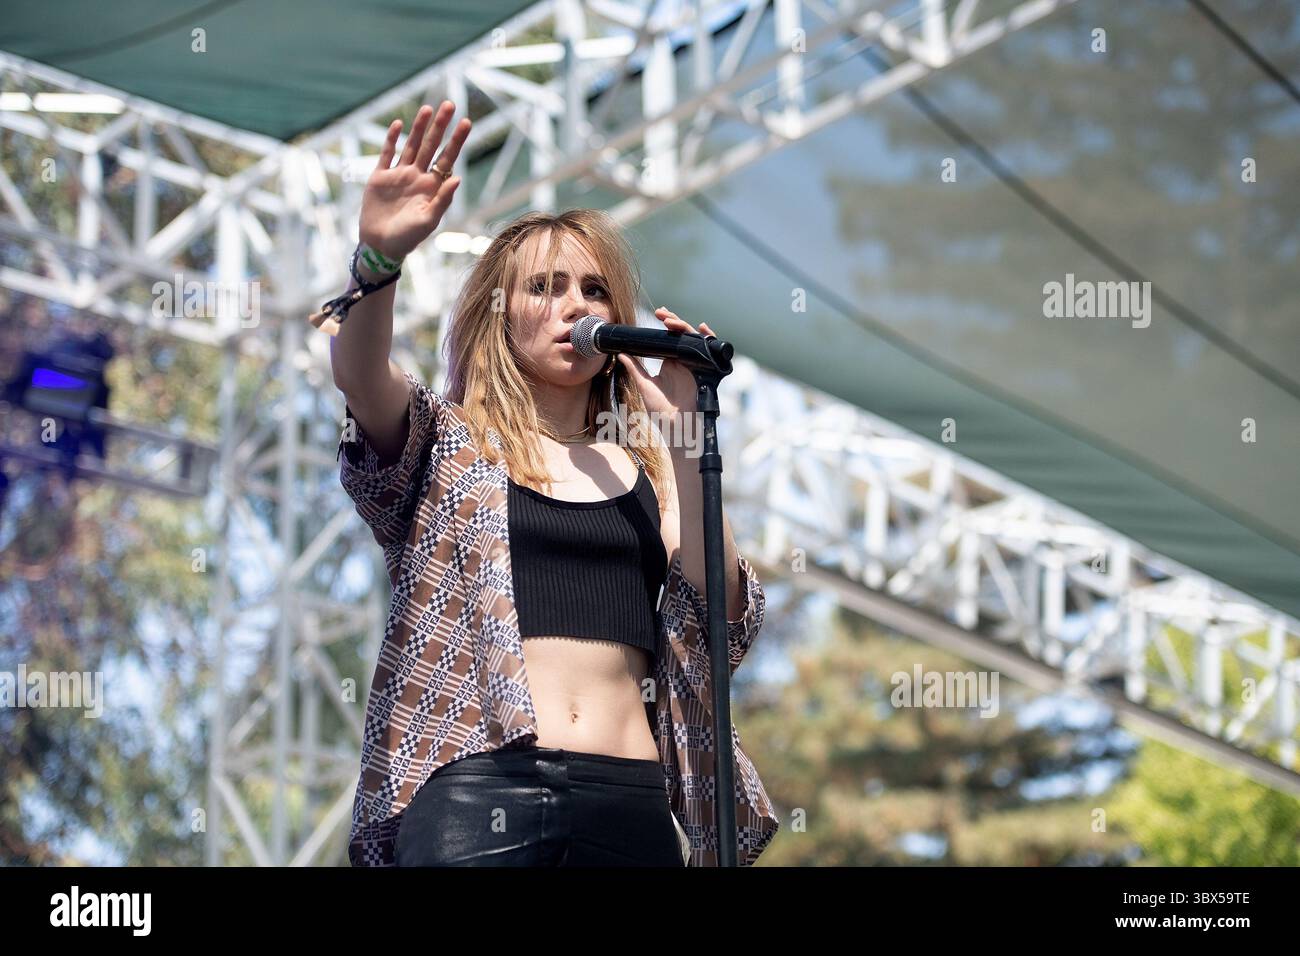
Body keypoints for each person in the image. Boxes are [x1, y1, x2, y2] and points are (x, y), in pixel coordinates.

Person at [329, 101, 779, 867]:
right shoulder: (448, 441)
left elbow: (719, 621)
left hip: (628, 801)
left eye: (595, 290)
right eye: (545, 287)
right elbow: (362, 377)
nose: (574, 305)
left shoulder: (651, 467)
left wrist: (685, 433)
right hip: (479, 793)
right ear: (498, 316)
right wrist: (377, 262)